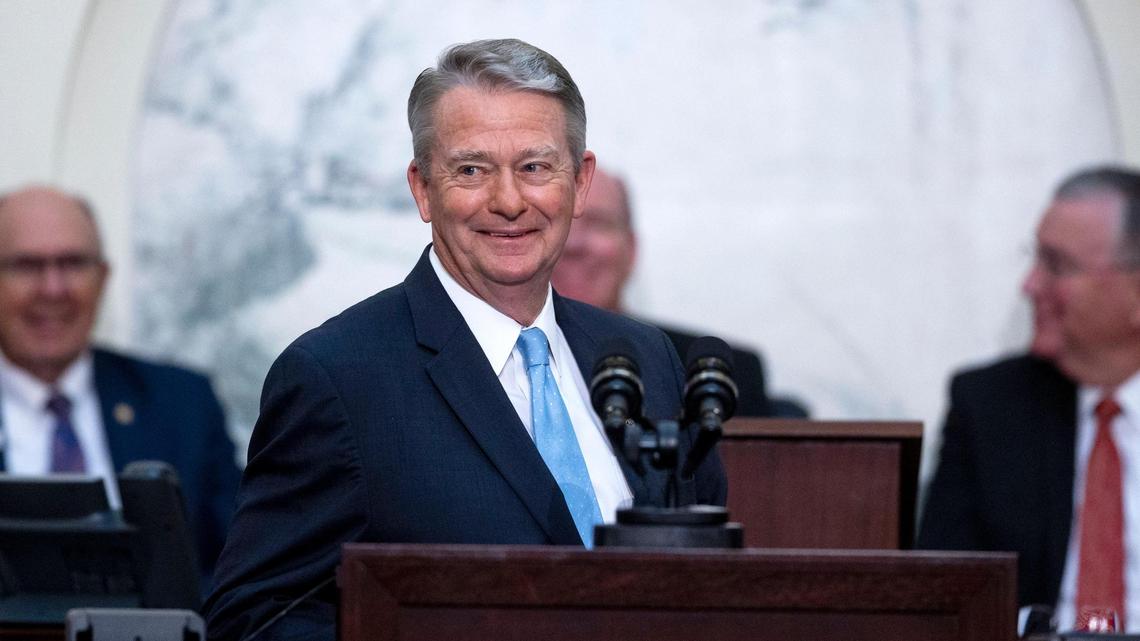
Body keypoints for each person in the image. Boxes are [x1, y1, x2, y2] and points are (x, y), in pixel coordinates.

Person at [203, 39, 727, 641]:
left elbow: (709, 583)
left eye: (535, 167)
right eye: (472, 170)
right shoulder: (337, 378)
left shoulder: (645, 360)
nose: (508, 201)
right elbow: (254, 619)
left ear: (579, 184)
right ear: (423, 188)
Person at [918, 166, 1140, 632]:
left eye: (1057, 266)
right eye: (1035, 259)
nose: (1030, 285)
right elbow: (941, 599)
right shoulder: (989, 407)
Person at [0, 185, 241, 585]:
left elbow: (241, 570)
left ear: (103, 277)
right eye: (27, 266)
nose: (53, 289)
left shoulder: (184, 405)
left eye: (73, 263)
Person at [551, 166, 807, 417]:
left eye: (598, 224)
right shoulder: (510, 372)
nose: (574, 244)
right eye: (559, 222)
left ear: (631, 249)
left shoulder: (717, 378)